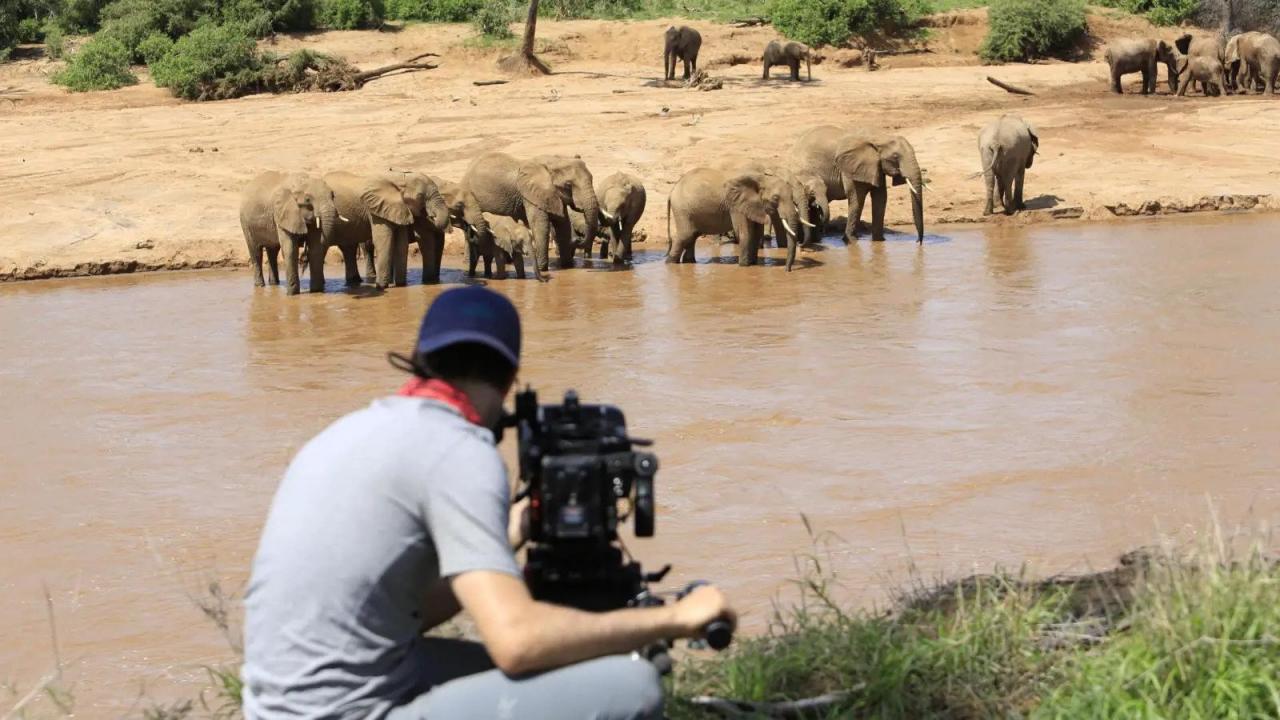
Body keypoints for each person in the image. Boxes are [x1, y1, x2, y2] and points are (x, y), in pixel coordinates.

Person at [241, 285, 735, 720]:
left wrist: (508, 535)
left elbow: (404, 612)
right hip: (351, 712)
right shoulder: (461, 450)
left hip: (279, 708)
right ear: (510, 380)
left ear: (419, 357)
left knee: (527, 672)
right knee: (634, 687)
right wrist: (679, 617)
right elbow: (518, 644)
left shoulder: (348, 432)